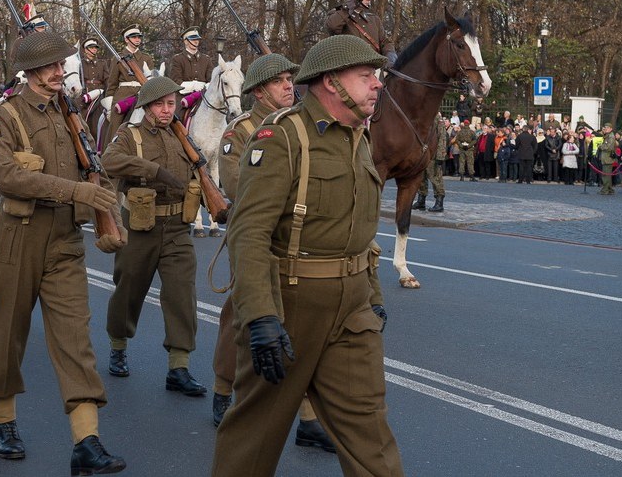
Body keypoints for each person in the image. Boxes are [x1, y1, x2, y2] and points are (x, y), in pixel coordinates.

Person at [212, 35, 403, 477]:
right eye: (366, 76)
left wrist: (372, 293)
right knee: (253, 439)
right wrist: (259, 316)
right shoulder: (281, 137)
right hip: (290, 305)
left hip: (353, 311)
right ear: (332, 84)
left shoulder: (359, 137)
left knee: (371, 439)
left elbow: (359, 232)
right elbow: (250, 231)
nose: (377, 84)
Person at [0, 31, 126, 473]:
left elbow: (94, 166)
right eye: (51, 67)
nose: (60, 72)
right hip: (17, 240)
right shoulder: (4, 116)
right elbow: (7, 178)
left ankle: (87, 440)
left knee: (75, 341)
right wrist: (76, 190)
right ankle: (4, 421)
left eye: (62, 65)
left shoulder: (72, 114)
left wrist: (105, 200)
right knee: (7, 335)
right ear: (31, 73)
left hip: (64, 241)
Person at [211, 53, 336, 451]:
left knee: (298, 323)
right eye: (280, 80)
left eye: (290, 78)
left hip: (299, 242)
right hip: (257, 238)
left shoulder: (301, 126)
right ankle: (222, 386)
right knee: (242, 316)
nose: (289, 86)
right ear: (259, 90)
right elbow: (236, 187)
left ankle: (309, 419)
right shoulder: (240, 132)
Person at [101, 77, 206, 396]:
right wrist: (153, 170)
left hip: (177, 228)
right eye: (159, 104)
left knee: (181, 295)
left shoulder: (182, 136)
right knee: (128, 289)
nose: (165, 110)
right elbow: (109, 161)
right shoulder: (129, 135)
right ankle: (118, 346)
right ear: (146, 108)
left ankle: (179, 366)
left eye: (171, 103)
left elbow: (199, 169)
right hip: (139, 228)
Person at [325, 0, 398, 66]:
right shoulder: (338, 16)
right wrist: (348, 8)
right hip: (351, 68)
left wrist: (391, 55)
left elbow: (385, 42)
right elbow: (333, 26)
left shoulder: (374, 19)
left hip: (374, 66)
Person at [105, 25, 155, 149]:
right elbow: (112, 83)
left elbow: (151, 79)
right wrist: (109, 104)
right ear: (127, 39)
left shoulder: (146, 58)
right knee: (115, 122)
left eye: (139, 37)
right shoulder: (118, 58)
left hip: (143, 93)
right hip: (123, 94)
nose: (137, 39)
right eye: (134, 37)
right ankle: (111, 150)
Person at [414, 115, 449, 212]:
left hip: (433, 154)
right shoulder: (422, 117)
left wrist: (440, 155)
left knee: (435, 178)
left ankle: (439, 202)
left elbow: (442, 137)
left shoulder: (437, 119)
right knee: (421, 177)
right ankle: (421, 200)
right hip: (422, 153)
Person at [80, 38, 110, 141]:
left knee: (99, 120)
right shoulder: (80, 63)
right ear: (85, 50)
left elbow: (107, 80)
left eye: (95, 48)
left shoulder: (102, 63)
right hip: (85, 94)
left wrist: (108, 94)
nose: (94, 50)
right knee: (82, 119)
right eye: (91, 48)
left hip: (99, 94)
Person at [169, 26, 213, 94]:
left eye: (197, 39)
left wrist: (205, 86)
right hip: (183, 96)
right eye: (193, 39)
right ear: (186, 41)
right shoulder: (177, 59)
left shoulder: (206, 59)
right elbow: (176, 81)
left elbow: (211, 79)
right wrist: (193, 86)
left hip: (203, 95)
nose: (196, 42)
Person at [597, 123, 617, 194]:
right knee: (607, 174)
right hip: (606, 158)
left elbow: (609, 147)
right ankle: (609, 189)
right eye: (605, 127)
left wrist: (600, 146)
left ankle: (605, 190)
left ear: (611, 129)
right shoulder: (607, 136)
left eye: (607, 128)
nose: (605, 129)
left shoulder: (610, 137)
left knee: (606, 175)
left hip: (607, 158)